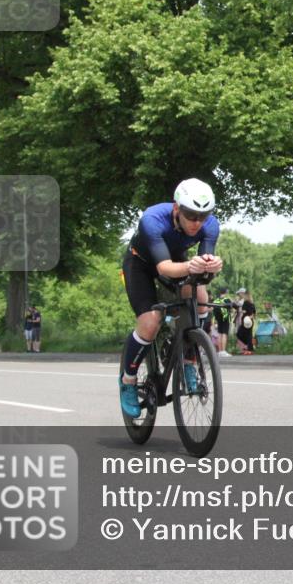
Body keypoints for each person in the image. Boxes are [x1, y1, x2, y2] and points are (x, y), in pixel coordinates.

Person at [118, 178, 223, 417]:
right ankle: (128, 380)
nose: (197, 222)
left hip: (176, 261)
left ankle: (188, 357)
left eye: (203, 216)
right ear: (177, 208)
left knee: (200, 296)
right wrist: (192, 266)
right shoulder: (152, 219)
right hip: (141, 264)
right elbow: (164, 268)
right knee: (150, 321)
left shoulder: (210, 226)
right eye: (190, 215)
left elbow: (202, 271)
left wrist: (212, 266)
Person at [234, 288, 256, 355]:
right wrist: (251, 317)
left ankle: (249, 348)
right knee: (248, 335)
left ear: (245, 295)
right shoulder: (252, 302)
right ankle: (249, 347)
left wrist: (241, 311)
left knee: (240, 334)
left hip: (246, 321)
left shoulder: (246, 302)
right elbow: (254, 312)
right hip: (250, 321)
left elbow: (245, 311)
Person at [213, 286, 233, 357]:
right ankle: (223, 351)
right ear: (226, 292)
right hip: (225, 317)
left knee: (219, 333)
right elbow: (231, 309)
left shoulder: (216, 300)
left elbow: (214, 310)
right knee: (224, 333)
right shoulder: (227, 300)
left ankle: (220, 351)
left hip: (218, 318)